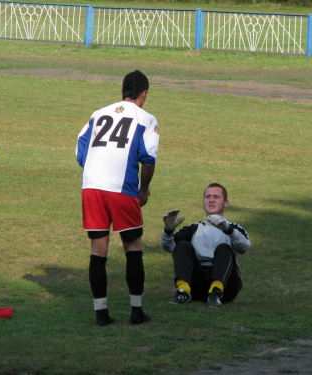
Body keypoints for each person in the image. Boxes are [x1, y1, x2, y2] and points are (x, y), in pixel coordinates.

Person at [76, 70, 159, 326]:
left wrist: (96, 170)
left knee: (98, 250)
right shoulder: (146, 119)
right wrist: (143, 190)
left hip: (91, 187)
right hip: (121, 189)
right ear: (144, 94)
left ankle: (101, 314)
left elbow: (81, 150)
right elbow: (148, 160)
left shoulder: (98, 113)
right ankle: (136, 312)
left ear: (121, 90)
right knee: (133, 246)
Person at [161, 183, 251, 308]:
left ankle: (215, 292)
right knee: (182, 245)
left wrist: (228, 230)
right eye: (208, 197)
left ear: (226, 203)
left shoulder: (233, 229)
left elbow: (244, 247)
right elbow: (169, 247)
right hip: (196, 284)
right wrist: (168, 231)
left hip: (226, 287)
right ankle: (183, 291)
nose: (211, 200)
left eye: (216, 197)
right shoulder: (193, 229)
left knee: (224, 248)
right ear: (203, 202)